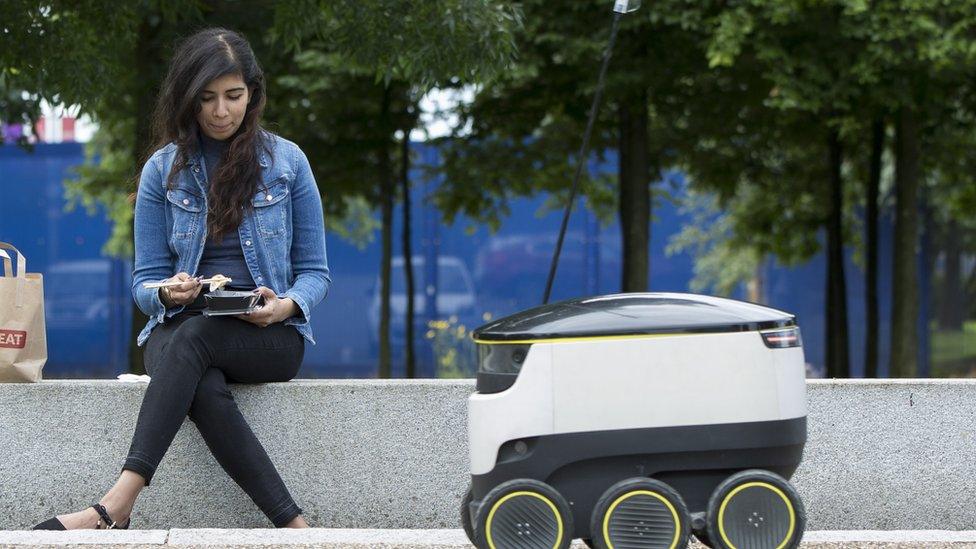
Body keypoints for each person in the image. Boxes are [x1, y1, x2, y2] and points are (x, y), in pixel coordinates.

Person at [33, 27, 331, 530]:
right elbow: (144, 284)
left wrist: (283, 307)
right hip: (178, 331)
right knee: (200, 371)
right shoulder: (162, 170)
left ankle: (113, 506)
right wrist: (167, 293)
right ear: (187, 100)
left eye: (233, 97)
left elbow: (316, 274)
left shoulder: (289, 162)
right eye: (207, 99)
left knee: (194, 341)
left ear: (253, 95)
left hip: (269, 336)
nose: (220, 112)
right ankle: (294, 525)